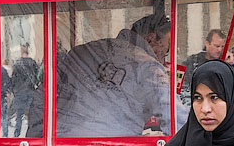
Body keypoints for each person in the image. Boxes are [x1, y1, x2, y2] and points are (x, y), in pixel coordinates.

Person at [29, 14, 186, 138]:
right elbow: (173, 115)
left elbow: (43, 97)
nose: (163, 58)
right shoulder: (146, 65)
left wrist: (35, 144)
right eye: (166, 49)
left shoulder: (81, 52)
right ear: (151, 38)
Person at [180, 28, 226, 105]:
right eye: (217, 46)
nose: (220, 50)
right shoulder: (192, 62)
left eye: (222, 47)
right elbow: (183, 87)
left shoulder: (224, 64)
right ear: (207, 44)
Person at [10, 44, 39, 138]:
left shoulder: (17, 64)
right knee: (31, 115)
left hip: (20, 93)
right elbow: (37, 77)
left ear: (21, 52)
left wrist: (14, 91)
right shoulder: (33, 62)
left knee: (19, 115)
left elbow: (13, 80)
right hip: (30, 91)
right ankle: (30, 134)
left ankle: (16, 134)